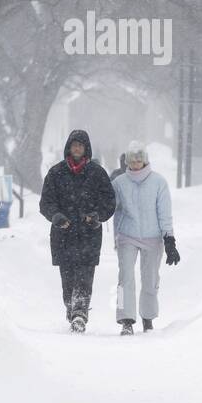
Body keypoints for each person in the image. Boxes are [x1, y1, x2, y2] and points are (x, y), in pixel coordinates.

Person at [39, 129, 116, 333]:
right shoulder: (56, 173)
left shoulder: (97, 173)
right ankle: (71, 308)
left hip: (89, 235)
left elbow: (109, 201)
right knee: (68, 279)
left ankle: (80, 313)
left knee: (84, 275)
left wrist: (97, 215)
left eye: (81, 145)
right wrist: (56, 216)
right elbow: (46, 202)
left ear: (86, 149)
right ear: (68, 147)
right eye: (74, 145)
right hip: (63, 235)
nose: (77, 148)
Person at [110, 142, 179, 335]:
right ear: (127, 161)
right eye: (132, 159)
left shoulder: (159, 182)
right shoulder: (119, 183)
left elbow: (165, 214)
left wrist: (169, 239)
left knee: (150, 279)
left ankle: (147, 318)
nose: (136, 162)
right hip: (127, 236)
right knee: (125, 278)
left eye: (140, 159)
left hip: (153, 237)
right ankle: (126, 320)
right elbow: (111, 210)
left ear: (146, 160)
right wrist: (114, 236)